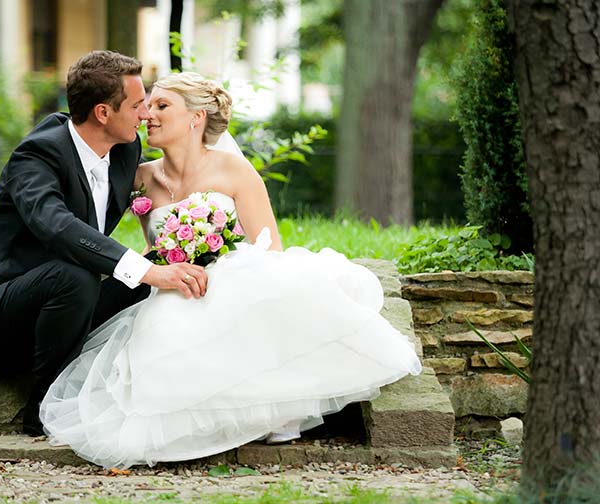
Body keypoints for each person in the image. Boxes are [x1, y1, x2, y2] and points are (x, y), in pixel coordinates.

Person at [39, 72, 423, 468]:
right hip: (175, 285)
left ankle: (265, 405)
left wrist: (223, 272)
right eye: (147, 105)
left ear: (196, 118)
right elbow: (103, 234)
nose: (147, 115)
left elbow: (269, 247)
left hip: (236, 275)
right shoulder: (138, 177)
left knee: (252, 294)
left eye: (161, 105)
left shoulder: (234, 172)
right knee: (168, 321)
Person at [0, 52, 208, 437]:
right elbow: (57, 227)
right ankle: (44, 408)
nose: (146, 114)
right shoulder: (36, 156)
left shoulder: (125, 148)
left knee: (170, 267)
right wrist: (147, 270)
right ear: (103, 113)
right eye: (138, 105)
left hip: (68, 307)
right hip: (0, 323)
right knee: (84, 274)